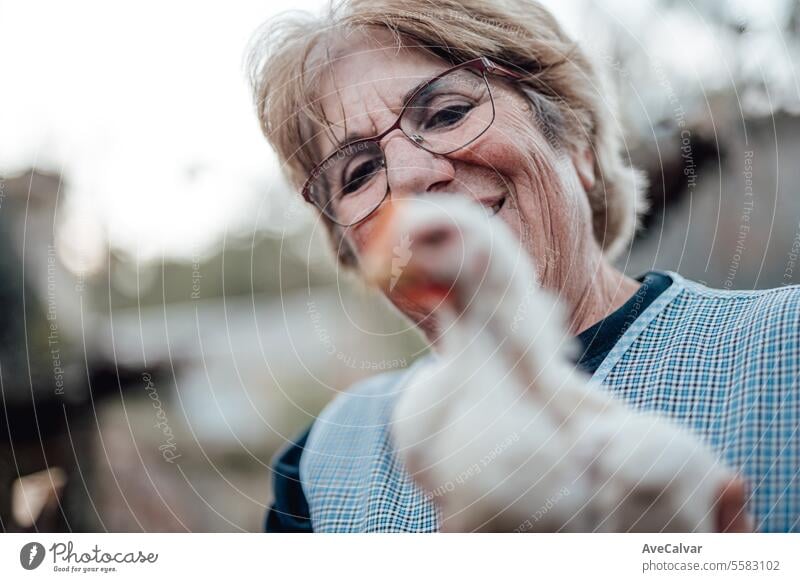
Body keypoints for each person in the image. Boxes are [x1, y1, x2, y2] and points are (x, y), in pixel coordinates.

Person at [249, 0, 799, 532]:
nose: (409, 178)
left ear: (577, 143)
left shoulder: (783, 350)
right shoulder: (320, 470)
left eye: (447, 113)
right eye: (360, 172)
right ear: (353, 247)